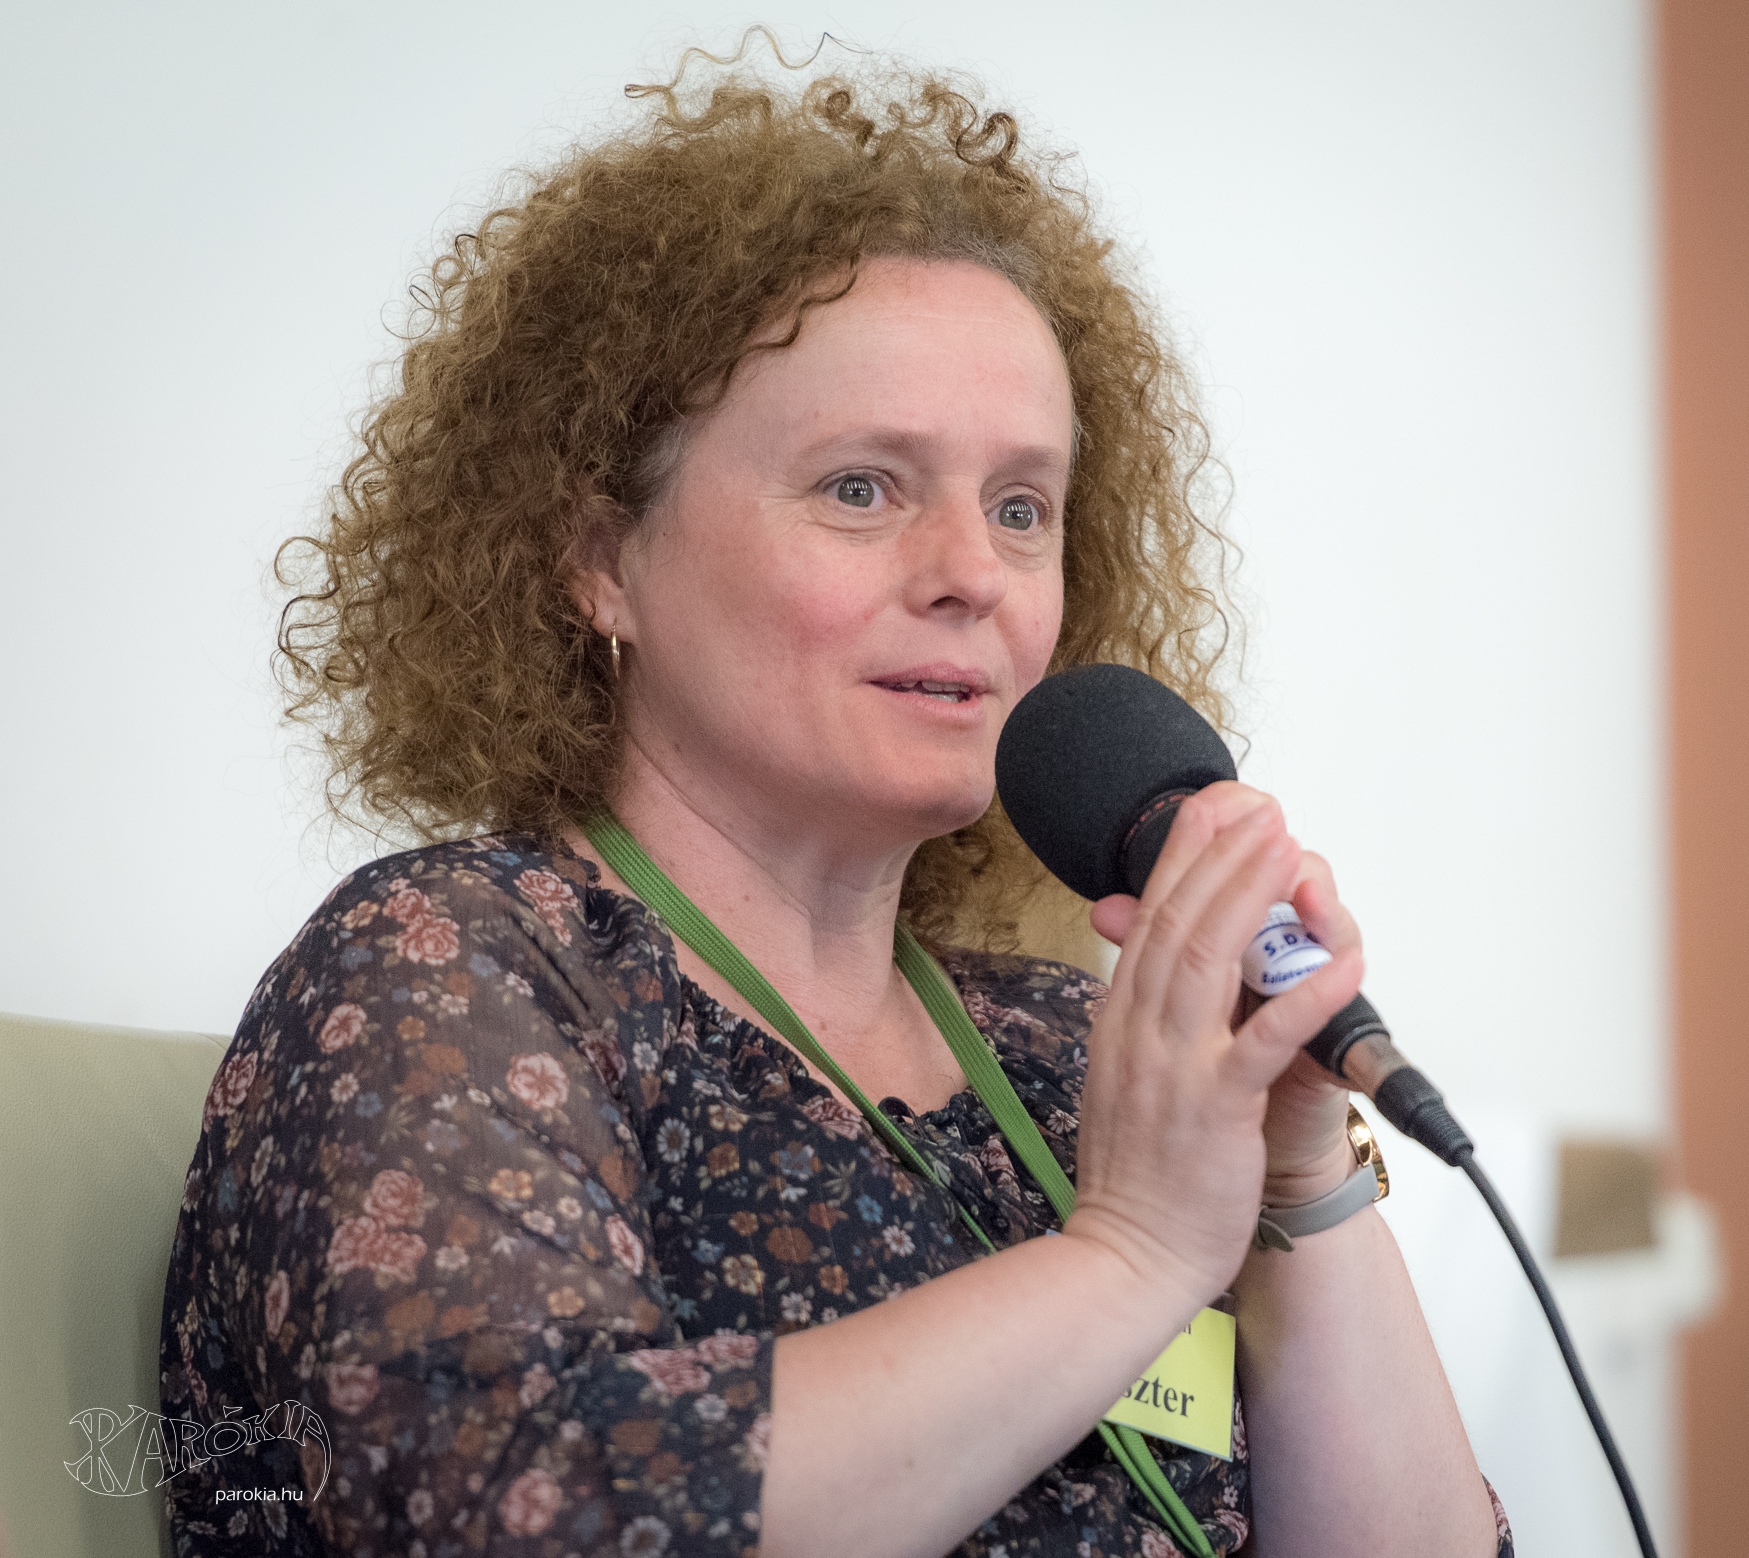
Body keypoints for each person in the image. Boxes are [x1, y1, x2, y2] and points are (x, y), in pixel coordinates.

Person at [161, 49, 1512, 1558]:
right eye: (863, 487)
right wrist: (1128, 1253)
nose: (973, 572)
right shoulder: (451, 971)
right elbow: (544, 1518)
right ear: (602, 561)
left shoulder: (1076, 1049)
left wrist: (1297, 1174)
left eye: (1022, 507)